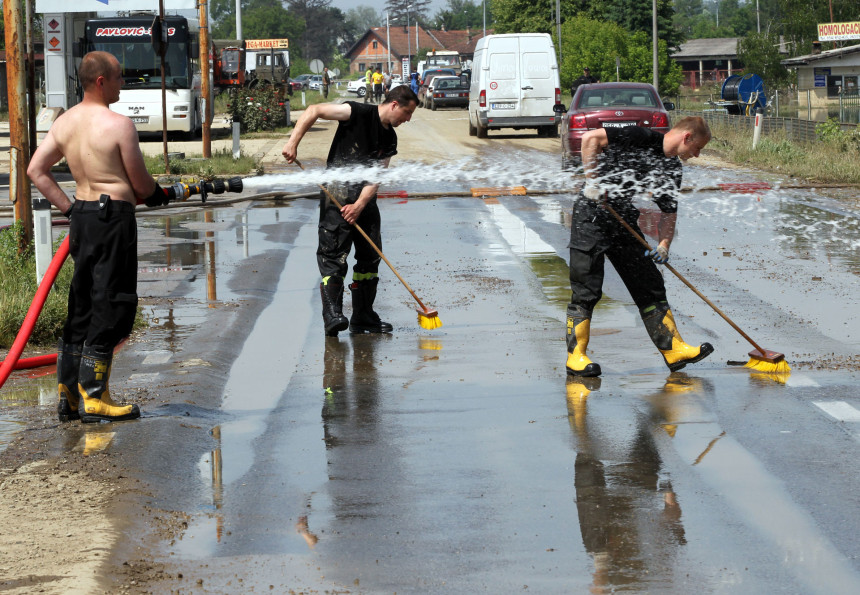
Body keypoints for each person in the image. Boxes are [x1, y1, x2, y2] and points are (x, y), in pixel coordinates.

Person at [27, 51, 174, 422]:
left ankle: (69, 397)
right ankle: (95, 396)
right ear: (101, 81)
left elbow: (36, 170)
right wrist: (158, 194)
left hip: (84, 218)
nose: (124, 82)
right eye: (120, 77)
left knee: (83, 304)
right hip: (114, 220)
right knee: (113, 303)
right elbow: (141, 183)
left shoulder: (64, 124)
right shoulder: (118, 125)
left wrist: (71, 209)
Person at [565, 116, 713, 377]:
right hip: (592, 216)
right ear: (686, 137)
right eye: (697, 147)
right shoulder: (639, 136)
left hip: (623, 221)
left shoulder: (672, 169)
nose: (697, 154)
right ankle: (576, 356)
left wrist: (664, 245)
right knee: (587, 289)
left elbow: (668, 212)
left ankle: (674, 349)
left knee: (649, 283)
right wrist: (592, 181)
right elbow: (590, 139)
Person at [281, 85, 419, 336]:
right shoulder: (355, 112)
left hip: (364, 202)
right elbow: (314, 110)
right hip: (336, 196)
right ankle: (332, 315)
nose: (408, 120)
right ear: (395, 105)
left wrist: (359, 205)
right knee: (333, 256)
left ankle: (363, 316)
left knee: (369, 257)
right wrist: (293, 142)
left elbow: (377, 176)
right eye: (408, 113)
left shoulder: (390, 137)